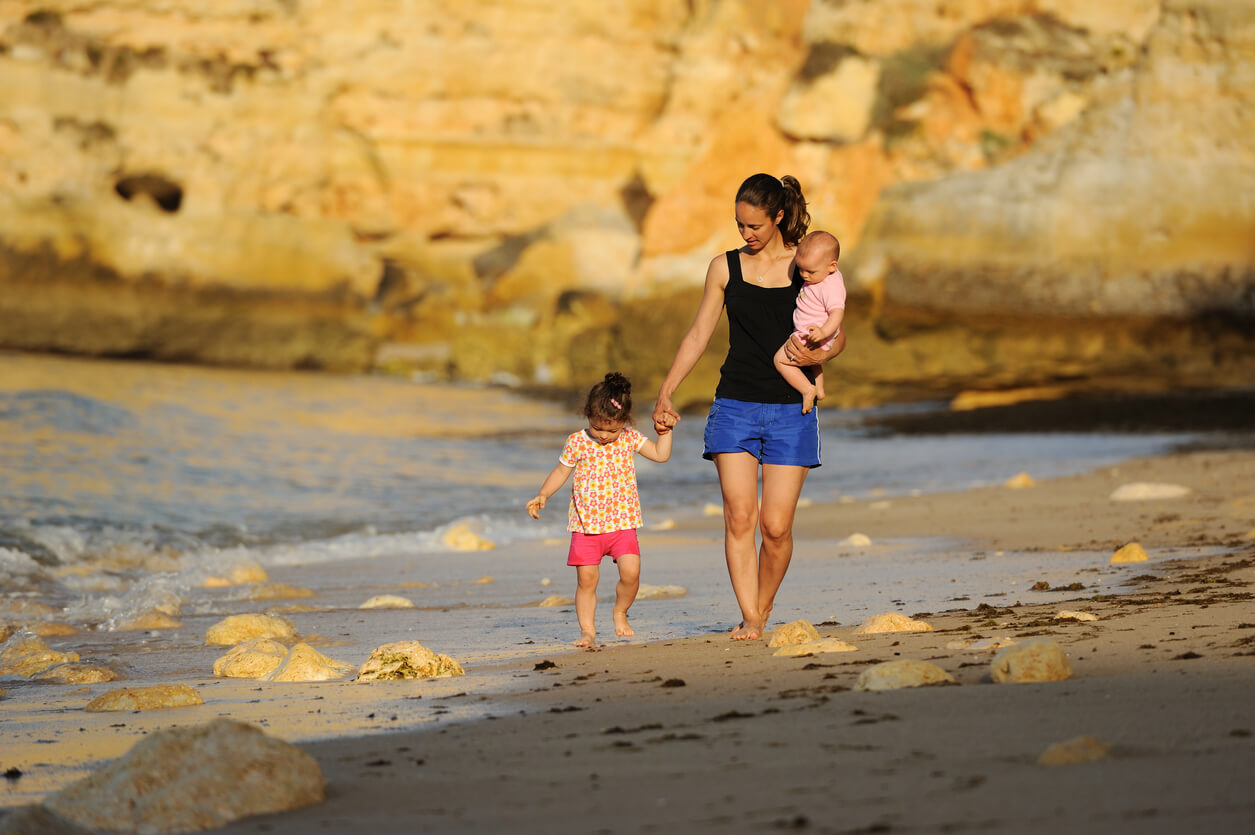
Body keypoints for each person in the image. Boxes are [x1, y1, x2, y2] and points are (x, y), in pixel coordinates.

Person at [651, 173, 846, 641]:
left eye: (754, 225)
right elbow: (699, 334)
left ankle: (763, 603)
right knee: (739, 517)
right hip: (734, 404)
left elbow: (837, 334)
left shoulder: (808, 265)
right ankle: (752, 617)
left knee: (775, 527)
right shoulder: (724, 268)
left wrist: (820, 355)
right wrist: (667, 390)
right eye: (740, 225)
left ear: (778, 217)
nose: (746, 234)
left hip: (789, 411)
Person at [527, 372, 673, 648]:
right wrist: (543, 494)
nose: (605, 436)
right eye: (598, 428)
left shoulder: (629, 438)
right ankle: (588, 631)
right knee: (586, 581)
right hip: (586, 528)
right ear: (587, 417)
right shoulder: (577, 442)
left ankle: (620, 611)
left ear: (625, 422)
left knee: (631, 574)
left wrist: (665, 432)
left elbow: (660, 455)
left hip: (622, 523)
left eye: (612, 430)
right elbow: (561, 471)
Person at [771, 230, 846, 414]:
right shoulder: (823, 276)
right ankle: (819, 390)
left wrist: (823, 332)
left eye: (810, 271)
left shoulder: (830, 286)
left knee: (779, 360)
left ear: (832, 266)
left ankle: (807, 389)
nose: (804, 275)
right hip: (816, 333)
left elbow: (837, 312)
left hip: (811, 333)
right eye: (800, 269)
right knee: (814, 362)